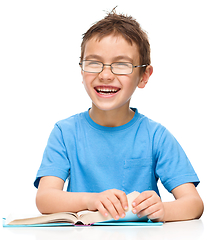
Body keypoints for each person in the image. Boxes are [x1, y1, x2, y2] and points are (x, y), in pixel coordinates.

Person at [34, 10, 204, 222]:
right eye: (94, 63)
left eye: (121, 65)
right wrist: (93, 200)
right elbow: (45, 198)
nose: (105, 75)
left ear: (144, 76)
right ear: (81, 70)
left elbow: (194, 204)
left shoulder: (156, 136)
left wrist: (164, 210)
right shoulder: (64, 133)